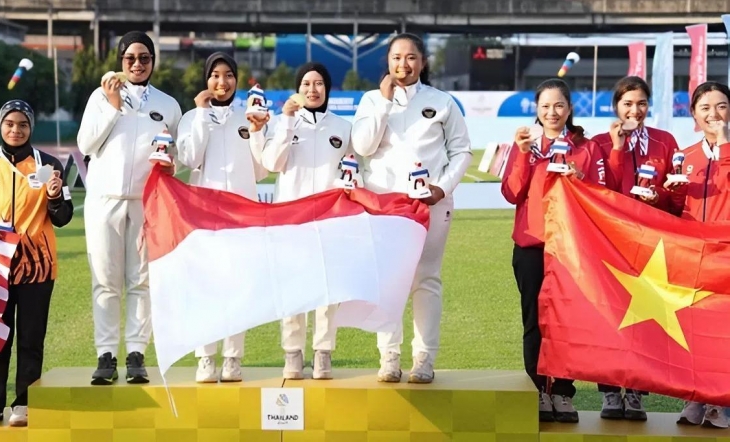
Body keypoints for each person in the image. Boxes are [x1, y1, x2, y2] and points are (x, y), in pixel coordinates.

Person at [351, 33, 472, 384]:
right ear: (387, 62)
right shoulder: (371, 100)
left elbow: (462, 151)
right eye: (396, 57)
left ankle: (424, 359)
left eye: (411, 57)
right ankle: (389, 356)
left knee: (426, 279)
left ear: (423, 62)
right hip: (384, 204)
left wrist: (441, 187)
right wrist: (384, 103)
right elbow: (363, 146)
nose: (403, 64)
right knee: (388, 281)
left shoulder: (442, 102)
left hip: (429, 203)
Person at [77, 31, 182, 385]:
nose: (137, 64)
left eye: (144, 58)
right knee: (105, 280)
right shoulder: (100, 96)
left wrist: (172, 164)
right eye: (130, 58)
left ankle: (137, 353)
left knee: (141, 280)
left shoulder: (168, 104)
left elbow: (177, 153)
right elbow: (86, 144)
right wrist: (112, 105)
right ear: (120, 61)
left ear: (153, 61)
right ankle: (105, 354)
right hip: (103, 201)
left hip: (146, 201)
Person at [501, 78, 607, 424]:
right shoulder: (525, 144)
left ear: (570, 108)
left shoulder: (586, 148)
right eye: (545, 106)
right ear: (536, 110)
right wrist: (521, 153)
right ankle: (538, 391)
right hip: (531, 246)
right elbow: (511, 193)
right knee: (534, 322)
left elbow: (602, 196)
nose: (552, 112)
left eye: (559, 105)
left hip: (571, 248)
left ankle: (562, 391)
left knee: (567, 322)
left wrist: (580, 178)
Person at [0, 100, 74, 427]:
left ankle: (24, 403)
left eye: (23, 124)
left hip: (37, 267)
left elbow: (64, 216)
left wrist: (55, 197)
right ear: (0, 126)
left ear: (31, 128)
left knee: (31, 339)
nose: (16, 130)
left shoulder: (50, 165)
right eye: (10, 124)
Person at [176, 51, 268, 383]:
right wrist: (202, 114)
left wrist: (257, 132)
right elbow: (189, 158)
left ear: (237, 80)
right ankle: (205, 358)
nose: (222, 82)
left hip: (242, 215)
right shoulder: (191, 117)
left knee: (238, 287)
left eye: (228, 75)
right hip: (203, 215)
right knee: (206, 287)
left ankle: (232, 358)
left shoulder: (249, 116)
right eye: (215, 75)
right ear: (206, 79)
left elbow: (261, 170)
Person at [592, 75, 679, 421]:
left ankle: (637, 392)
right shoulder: (600, 142)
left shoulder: (664, 141)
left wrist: (660, 196)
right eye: (627, 103)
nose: (635, 110)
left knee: (645, 319)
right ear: (616, 106)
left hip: (651, 246)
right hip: (610, 241)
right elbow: (603, 191)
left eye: (641, 103)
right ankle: (610, 391)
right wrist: (617, 147)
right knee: (610, 316)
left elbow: (676, 193)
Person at [259, 62, 353, 380]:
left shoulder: (342, 127)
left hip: (330, 220)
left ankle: (323, 352)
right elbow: (272, 163)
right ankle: (293, 352)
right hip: (291, 220)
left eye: (318, 84)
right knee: (293, 288)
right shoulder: (283, 122)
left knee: (328, 290)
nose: (312, 90)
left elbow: (353, 168)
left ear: (327, 89)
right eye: (306, 84)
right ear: (297, 89)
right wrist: (286, 121)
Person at [667, 81, 730, 429]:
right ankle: (694, 397)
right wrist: (669, 194)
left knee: (723, 330)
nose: (713, 114)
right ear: (693, 114)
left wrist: (724, 145)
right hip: (693, 255)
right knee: (693, 329)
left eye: (721, 106)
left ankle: (720, 402)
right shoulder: (686, 156)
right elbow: (678, 207)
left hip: (727, 255)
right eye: (705, 108)